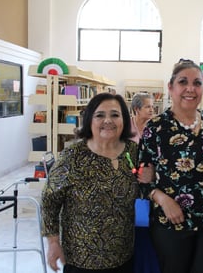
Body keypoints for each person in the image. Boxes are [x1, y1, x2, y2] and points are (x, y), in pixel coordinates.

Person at [138, 58, 203, 273]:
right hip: (170, 223)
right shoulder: (155, 128)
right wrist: (163, 200)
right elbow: (141, 178)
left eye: (197, 83)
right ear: (171, 87)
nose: (190, 89)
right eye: (183, 82)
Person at [41, 93, 140, 273]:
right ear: (89, 120)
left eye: (115, 115)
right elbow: (49, 201)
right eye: (100, 115)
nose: (108, 120)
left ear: (124, 120)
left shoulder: (133, 152)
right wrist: (53, 242)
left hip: (123, 256)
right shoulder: (73, 156)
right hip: (82, 259)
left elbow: (145, 188)